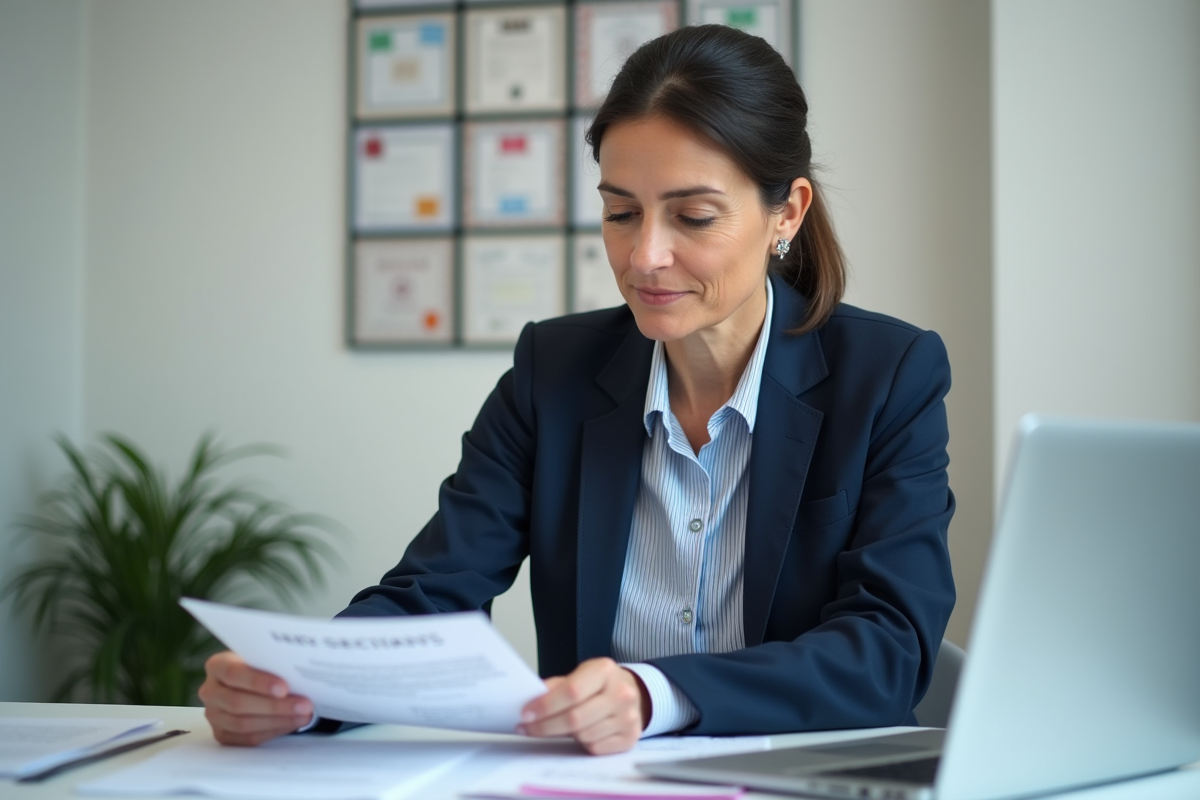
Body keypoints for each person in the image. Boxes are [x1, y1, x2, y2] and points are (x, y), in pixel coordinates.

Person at [199, 24, 955, 756]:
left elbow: (887, 651)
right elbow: (433, 592)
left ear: (785, 212)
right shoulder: (550, 372)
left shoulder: (888, 375)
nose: (645, 255)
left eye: (692, 215)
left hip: (791, 779)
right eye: (620, 211)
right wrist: (299, 689)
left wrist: (653, 695)